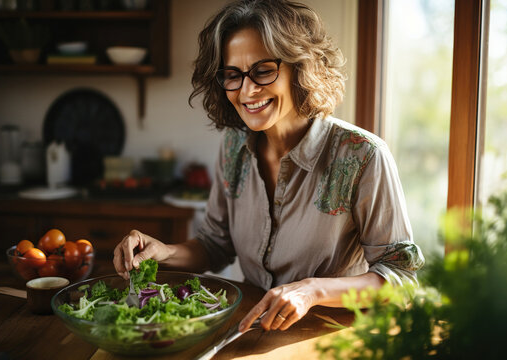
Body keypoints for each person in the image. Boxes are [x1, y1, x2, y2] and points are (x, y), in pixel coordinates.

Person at [113, 0, 424, 333]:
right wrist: (165, 251)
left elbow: (401, 279)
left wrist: (313, 290)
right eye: (233, 75)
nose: (247, 90)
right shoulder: (233, 147)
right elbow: (214, 246)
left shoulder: (363, 156)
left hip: (330, 336)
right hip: (251, 330)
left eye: (262, 71)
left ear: (299, 68)